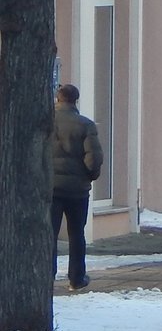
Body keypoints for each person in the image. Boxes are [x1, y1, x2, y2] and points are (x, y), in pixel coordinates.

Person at [51, 84, 104, 291]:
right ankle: (76, 278)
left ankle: (47, 277)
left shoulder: (46, 122)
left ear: (58, 98)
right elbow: (94, 157)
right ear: (76, 100)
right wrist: (90, 176)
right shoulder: (85, 125)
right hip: (77, 190)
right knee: (76, 233)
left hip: (51, 188)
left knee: (49, 234)